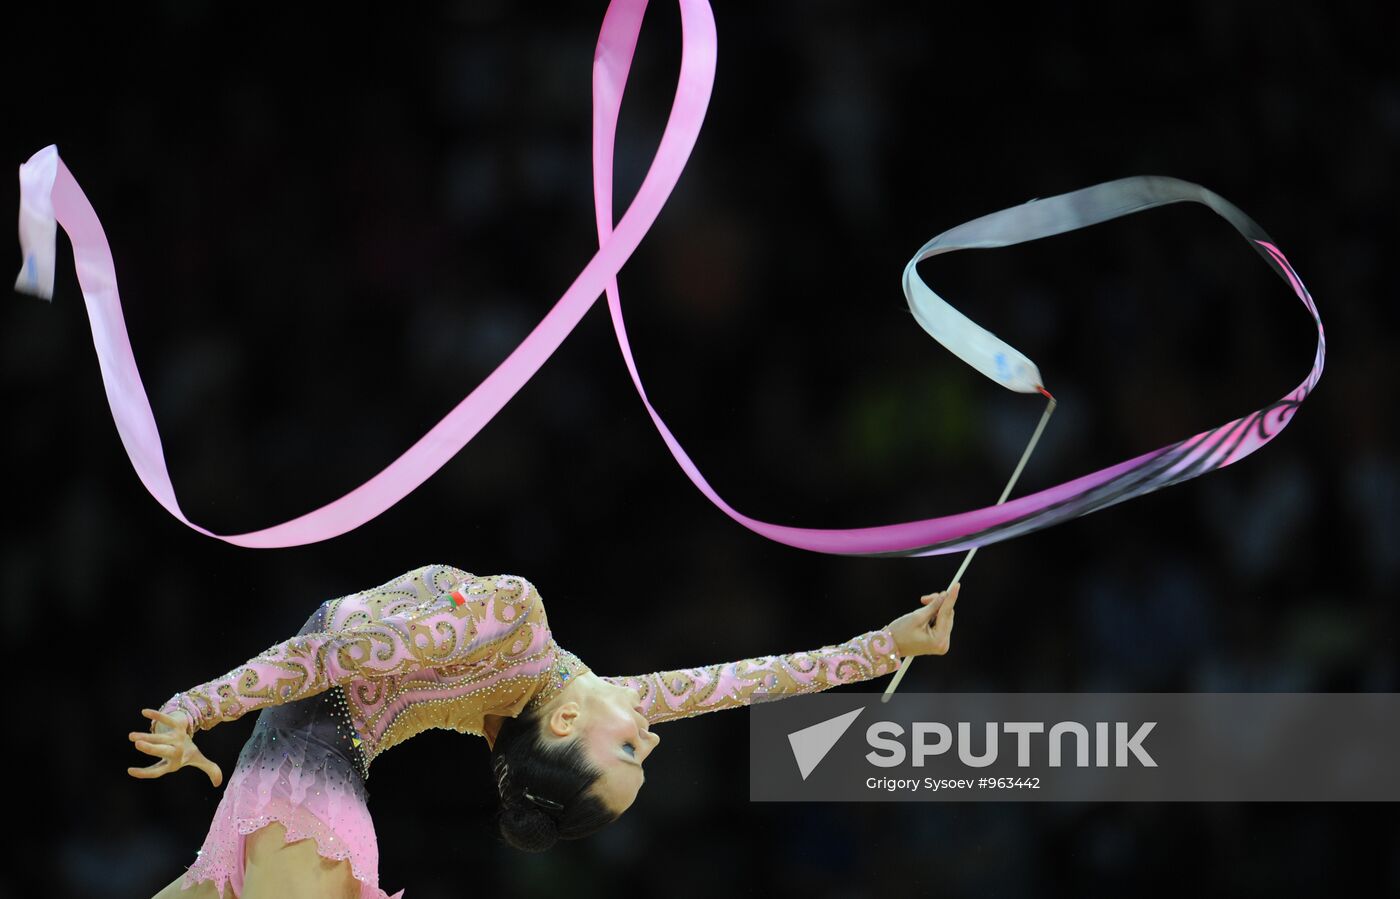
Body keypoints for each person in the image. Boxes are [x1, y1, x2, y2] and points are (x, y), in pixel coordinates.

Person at [131, 563, 961, 898]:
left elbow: (328, 656)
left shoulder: (513, 627)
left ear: (565, 723)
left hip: (310, 766)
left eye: (631, 751)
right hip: (309, 766)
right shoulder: (521, 639)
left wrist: (197, 707)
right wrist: (886, 645)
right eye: (643, 752)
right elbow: (749, 681)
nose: (655, 735)